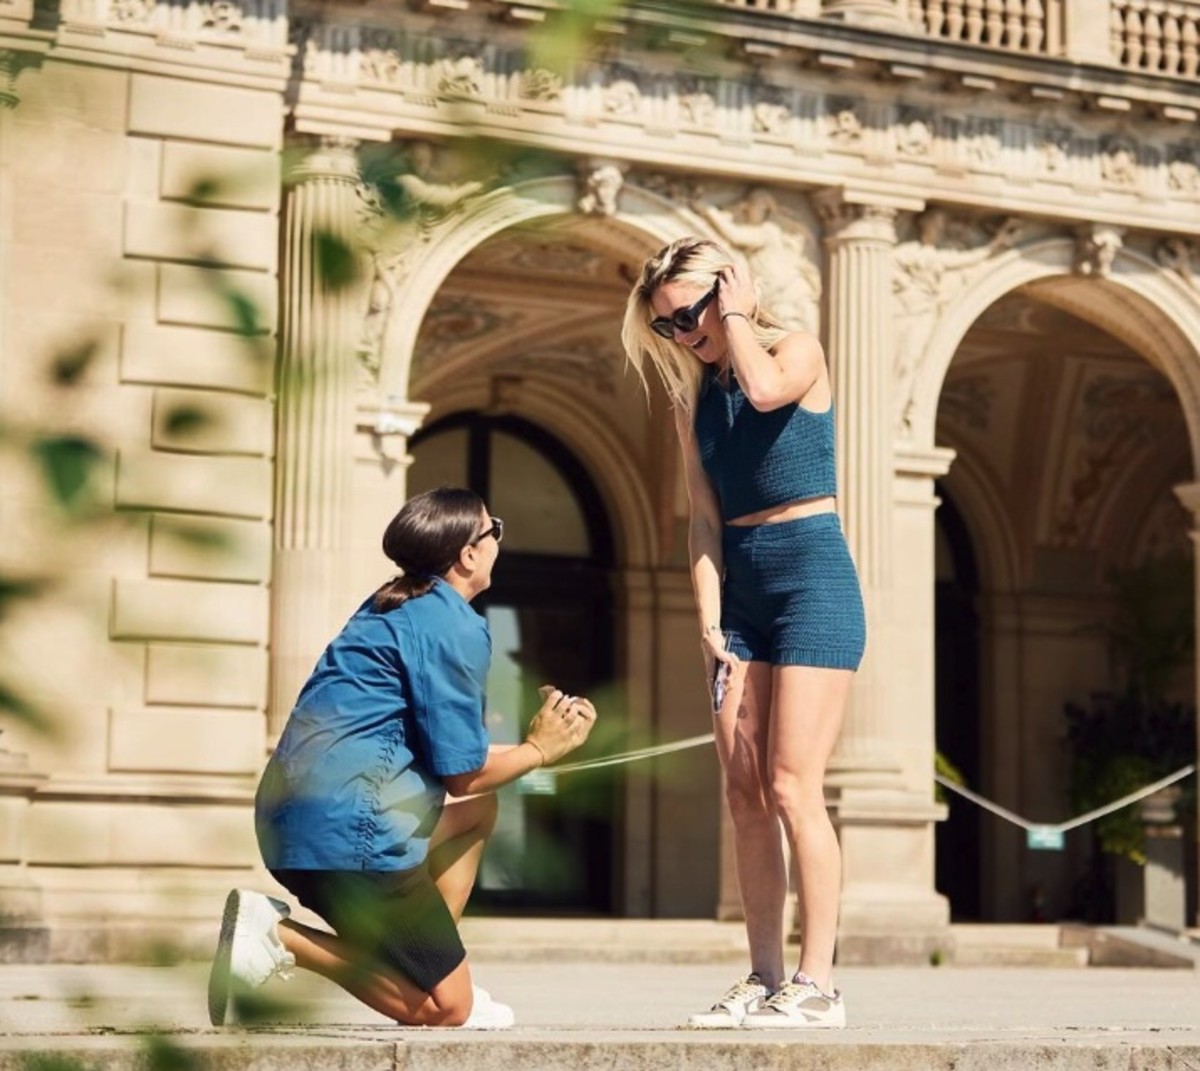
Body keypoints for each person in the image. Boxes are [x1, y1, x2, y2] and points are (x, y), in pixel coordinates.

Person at [207, 487, 597, 1030]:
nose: (497, 543)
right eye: (494, 530)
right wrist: (537, 749)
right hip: (350, 836)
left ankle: (438, 964)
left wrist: (545, 749)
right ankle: (279, 938)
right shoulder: (455, 626)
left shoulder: (390, 604)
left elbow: (455, 765)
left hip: (291, 823)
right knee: (447, 1009)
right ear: (468, 553)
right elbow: (463, 775)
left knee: (481, 811)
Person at [621, 237, 865, 1030]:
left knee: (795, 783)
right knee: (743, 790)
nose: (685, 333)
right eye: (667, 327)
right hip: (743, 598)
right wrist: (709, 622)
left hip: (813, 580)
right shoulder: (694, 402)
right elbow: (702, 521)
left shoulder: (795, 350)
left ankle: (818, 981)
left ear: (728, 290)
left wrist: (735, 312)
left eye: (690, 313)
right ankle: (764, 977)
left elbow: (763, 391)